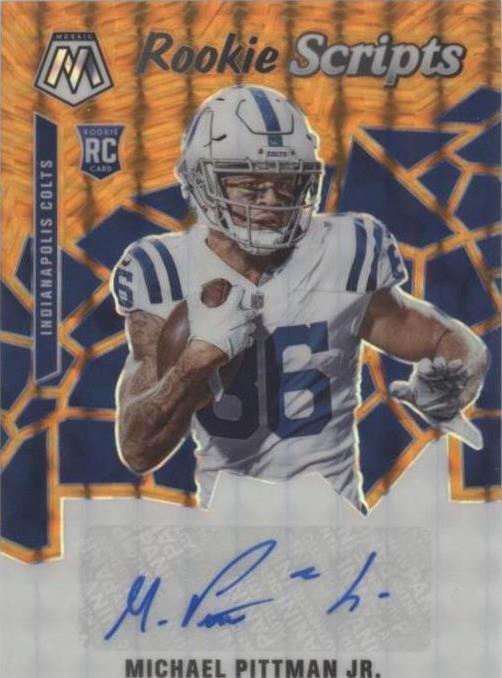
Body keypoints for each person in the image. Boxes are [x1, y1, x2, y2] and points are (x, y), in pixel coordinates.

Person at [110, 84, 488, 511]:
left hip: (335, 517)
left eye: (286, 183)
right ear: (200, 181)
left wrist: (459, 375)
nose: (271, 203)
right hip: (229, 523)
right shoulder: (164, 269)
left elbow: (443, 338)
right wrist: (193, 365)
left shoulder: (344, 250)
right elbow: (138, 449)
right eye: (250, 187)